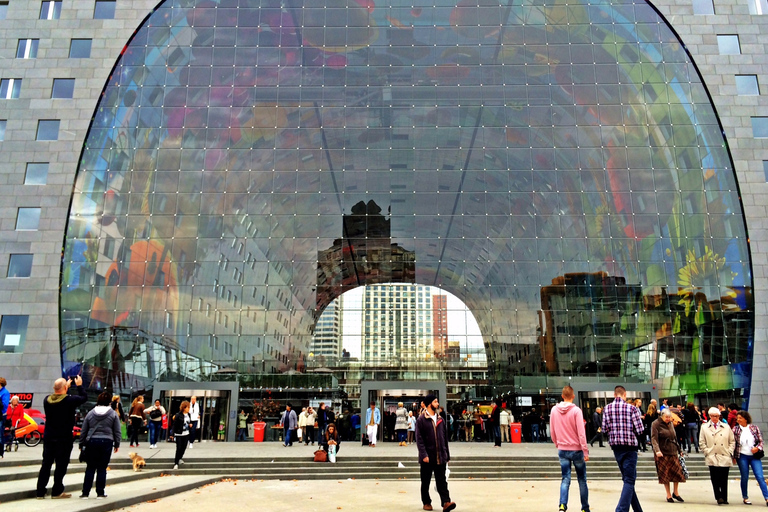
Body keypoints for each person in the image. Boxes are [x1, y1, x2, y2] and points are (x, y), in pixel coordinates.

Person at [36, 375, 88, 499]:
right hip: (63, 438)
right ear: (65, 387)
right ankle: (57, 491)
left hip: (49, 437)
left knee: (46, 464)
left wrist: (66, 387)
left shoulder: (46, 400)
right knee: (61, 464)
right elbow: (83, 398)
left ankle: (40, 491)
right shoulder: (70, 400)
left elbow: (62, 398)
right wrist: (79, 385)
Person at [602, 385, 645, 512]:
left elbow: (604, 429)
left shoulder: (607, 409)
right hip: (630, 447)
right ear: (624, 395)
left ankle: (638, 509)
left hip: (616, 447)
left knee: (627, 479)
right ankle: (621, 509)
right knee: (629, 480)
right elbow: (640, 429)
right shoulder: (632, 408)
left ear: (614, 395)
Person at [550, 385, 590, 512]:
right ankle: (584, 508)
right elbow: (581, 433)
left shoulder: (554, 410)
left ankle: (562, 505)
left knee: (565, 478)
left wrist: (557, 443)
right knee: (582, 480)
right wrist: (585, 451)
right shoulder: (576, 411)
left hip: (562, 449)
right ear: (573, 396)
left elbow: (552, 430)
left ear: (562, 396)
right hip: (577, 449)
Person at [415, 394, 456, 512]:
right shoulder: (421, 420)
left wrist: (447, 454)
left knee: (441, 481)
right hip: (428, 457)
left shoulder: (441, 419)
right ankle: (426, 502)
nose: (437, 404)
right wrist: (424, 454)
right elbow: (419, 439)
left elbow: (444, 438)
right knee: (425, 481)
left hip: (440, 456)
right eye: (435, 402)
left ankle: (446, 502)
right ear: (429, 404)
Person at [79, 391, 120, 500]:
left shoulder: (91, 413)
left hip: (92, 441)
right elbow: (117, 430)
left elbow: (84, 429)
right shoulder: (113, 414)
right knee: (102, 468)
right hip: (107, 442)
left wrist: (81, 443)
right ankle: (100, 493)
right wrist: (117, 443)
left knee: (90, 468)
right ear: (109, 402)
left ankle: (85, 493)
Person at [699, 407, 735, 505]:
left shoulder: (726, 426)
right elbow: (702, 441)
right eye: (713, 416)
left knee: (724, 477)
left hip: (724, 454)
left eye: (717, 416)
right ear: (709, 416)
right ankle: (718, 496)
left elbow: (732, 441)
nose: (715, 418)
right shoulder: (705, 427)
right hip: (712, 454)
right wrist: (706, 451)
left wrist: (730, 451)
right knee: (714, 477)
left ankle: (724, 497)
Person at [732, 410, 768, 505]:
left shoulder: (754, 428)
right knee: (744, 476)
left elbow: (761, 441)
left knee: (760, 476)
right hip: (742, 455)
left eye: (740, 418)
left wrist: (758, 448)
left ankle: (767, 497)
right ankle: (745, 497)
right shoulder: (735, 429)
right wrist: (733, 456)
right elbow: (733, 443)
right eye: (737, 418)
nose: (738, 420)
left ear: (746, 418)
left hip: (754, 456)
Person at [651, 408, 686, 503]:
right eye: (666, 417)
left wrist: (679, 450)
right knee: (665, 474)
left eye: (669, 417)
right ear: (662, 416)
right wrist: (657, 451)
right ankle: (668, 494)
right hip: (663, 452)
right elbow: (654, 439)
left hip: (673, 450)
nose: (668, 418)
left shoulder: (670, 423)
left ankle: (676, 492)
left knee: (677, 472)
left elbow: (674, 438)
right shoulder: (655, 424)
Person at [172, 401, 191, 470]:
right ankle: (176, 463)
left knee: (184, 447)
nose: (189, 409)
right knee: (179, 447)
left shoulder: (188, 415)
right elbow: (174, 425)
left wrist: (190, 425)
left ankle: (180, 458)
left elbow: (189, 422)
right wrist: (172, 434)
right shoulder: (178, 415)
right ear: (184, 408)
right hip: (179, 433)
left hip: (186, 433)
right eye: (187, 407)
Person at [0, 377, 9, 459]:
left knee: (0, 434)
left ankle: (0, 452)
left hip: (1, 415)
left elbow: (4, 405)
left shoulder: (5, 393)